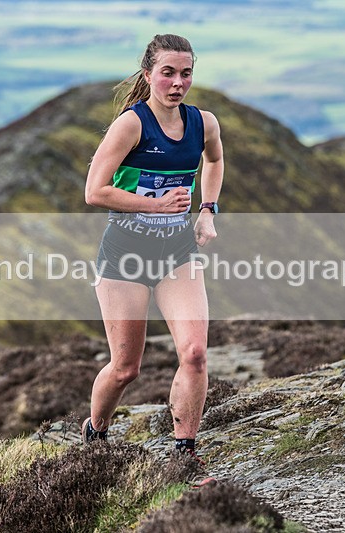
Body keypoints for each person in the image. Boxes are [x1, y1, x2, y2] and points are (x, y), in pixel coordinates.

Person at [83, 34, 224, 461]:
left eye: (185, 73)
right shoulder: (131, 124)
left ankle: (184, 451)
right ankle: (96, 431)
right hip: (124, 256)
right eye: (168, 73)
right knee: (126, 368)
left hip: (177, 254)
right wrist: (156, 204)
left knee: (196, 354)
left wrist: (208, 210)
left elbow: (214, 161)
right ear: (149, 75)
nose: (177, 83)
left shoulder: (204, 123)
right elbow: (94, 191)